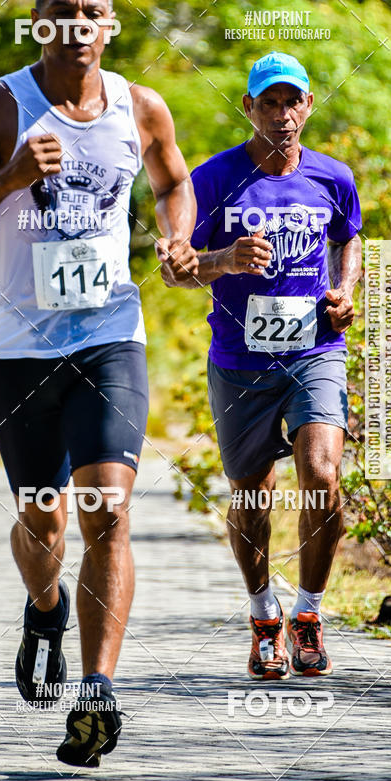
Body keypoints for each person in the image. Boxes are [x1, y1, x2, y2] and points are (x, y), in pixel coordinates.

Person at [0, 0, 197, 766]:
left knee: (107, 508)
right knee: (44, 517)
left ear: (111, 26)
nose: (78, 25)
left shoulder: (141, 108)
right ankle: (46, 604)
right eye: (62, 11)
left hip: (109, 335)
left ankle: (99, 690)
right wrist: (5, 180)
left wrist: (176, 235)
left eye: (92, 13)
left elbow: (173, 178)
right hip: (17, 349)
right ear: (40, 23)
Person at [159, 51, 362, 679]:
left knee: (322, 474)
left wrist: (345, 290)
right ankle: (263, 614)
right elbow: (176, 268)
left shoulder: (333, 177)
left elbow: (348, 237)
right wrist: (225, 260)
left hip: (314, 351)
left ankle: (308, 614)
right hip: (242, 360)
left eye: (291, 102)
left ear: (307, 106)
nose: (281, 114)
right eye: (267, 103)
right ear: (248, 108)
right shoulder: (212, 179)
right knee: (252, 492)